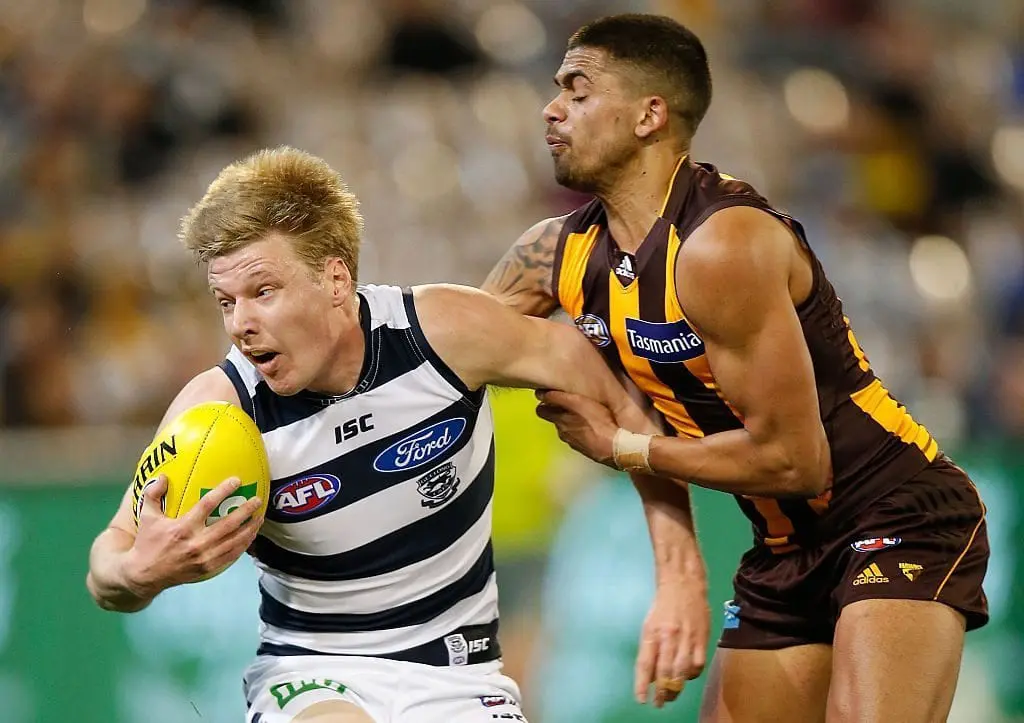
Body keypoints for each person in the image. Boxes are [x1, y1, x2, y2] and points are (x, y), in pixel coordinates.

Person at [482, 13, 989, 723]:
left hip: (893, 512)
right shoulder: (552, 254)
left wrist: (625, 446)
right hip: (783, 546)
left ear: (648, 115)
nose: (551, 106)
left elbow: (794, 461)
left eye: (578, 88)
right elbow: (452, 344)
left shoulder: (722, 244)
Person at [84, 146, 696, 723]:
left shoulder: (445, 335)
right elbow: (108, 562)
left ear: (335, 280)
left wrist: (677, 579)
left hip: (463, 677)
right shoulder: (219, 410)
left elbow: (625, 405)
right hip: (313, 676)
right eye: (226, 301)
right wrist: (136, 573)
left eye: (264, 292)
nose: (241, 324)